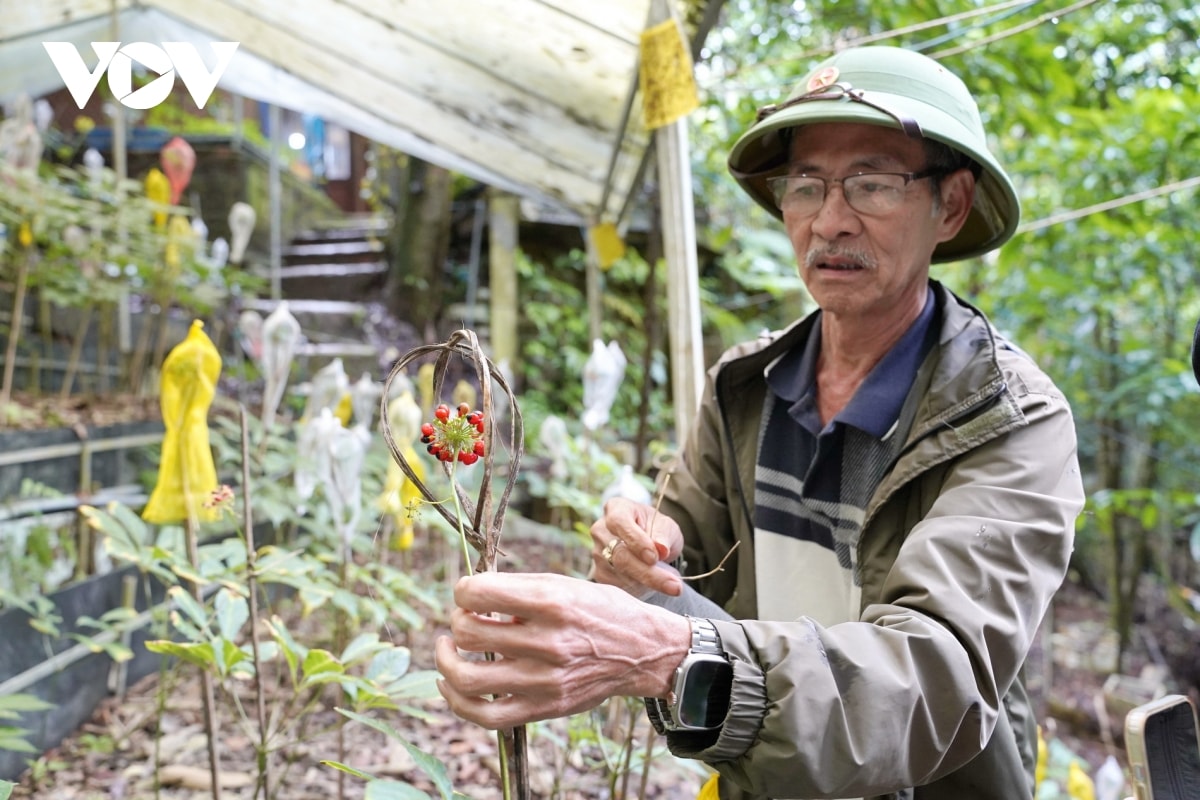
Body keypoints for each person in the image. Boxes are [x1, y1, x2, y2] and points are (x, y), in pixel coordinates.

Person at [435, 45, 1085, 800]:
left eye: (872, 184)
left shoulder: (1008, 420)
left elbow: (931, 677)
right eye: (806, 186)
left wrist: (669, 654)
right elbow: (684, 558)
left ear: (952, 205)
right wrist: (639, 550)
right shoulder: (748, 386)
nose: (830, 221)